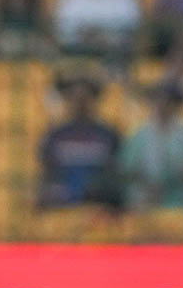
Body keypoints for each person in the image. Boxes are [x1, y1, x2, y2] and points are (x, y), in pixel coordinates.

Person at [38, 73, 121, 208]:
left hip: (100, 208)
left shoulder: (108, 135)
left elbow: (115, 173)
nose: (80, 104)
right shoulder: (55, 136)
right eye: (75, 98)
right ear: (68, 100)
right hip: (63, 208)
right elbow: (48, 174)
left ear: (94, 100)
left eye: (85, 99)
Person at [120, 81, 183, 212]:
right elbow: (126, 168)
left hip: (182, 200)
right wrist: (147, 184)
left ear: (177, 106)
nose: (163, 106)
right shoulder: (140, 134)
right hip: (145, 199)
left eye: (169, 103)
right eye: (159, 101)